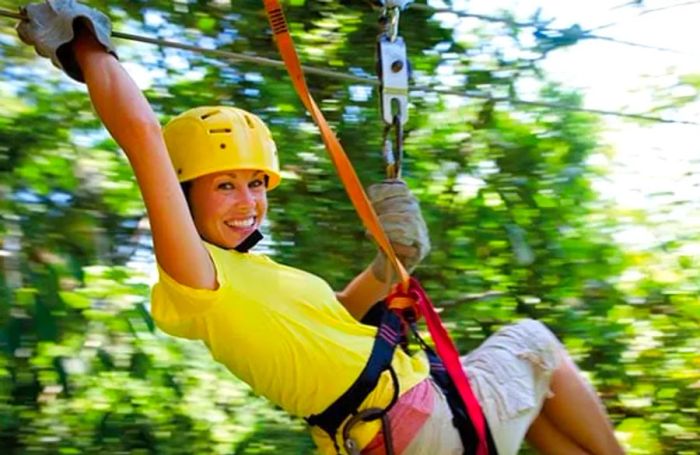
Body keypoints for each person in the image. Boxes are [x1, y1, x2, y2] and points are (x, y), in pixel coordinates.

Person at [16, 2, 626, 454]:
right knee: (534, 342)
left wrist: (390, 263)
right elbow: (144, 138)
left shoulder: (259, 274)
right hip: (417, 425)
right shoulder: (195, 275)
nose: (247, 201)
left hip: (414, 425)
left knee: (544, 410)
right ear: (182, 195)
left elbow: (340, 312)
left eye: (255, 183)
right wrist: (86, 44)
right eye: (224, 185)